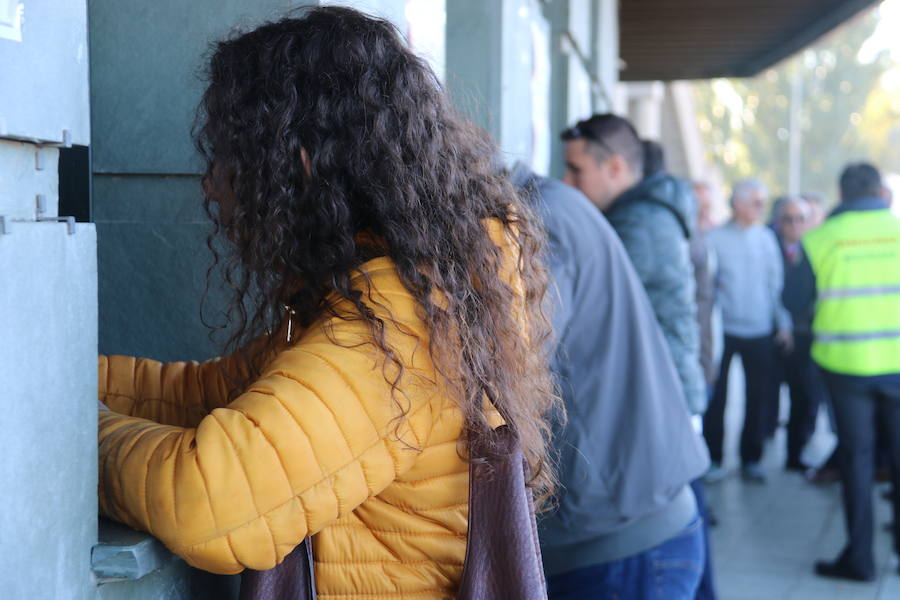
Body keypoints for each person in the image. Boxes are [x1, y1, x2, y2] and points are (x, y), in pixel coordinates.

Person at [94, 9, 559, 599]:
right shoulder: (414, 290)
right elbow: (219, 393)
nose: (211, 184)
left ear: (300, 163)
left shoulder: (399, 323)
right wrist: (63, 387)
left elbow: (209, 501)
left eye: (229, 155)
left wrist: (73, 437)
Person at [509, 163, 709, 600]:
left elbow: (511, 372)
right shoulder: (553, 208)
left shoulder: (540, 219)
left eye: (579, 167)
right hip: (634, 524)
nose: (569, 174)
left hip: (618, 546)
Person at [560, 115, 706, 416]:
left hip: (659, 405)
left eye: (576, 170)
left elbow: (591, 314)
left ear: (614, 167)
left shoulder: (640, 225)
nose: (566, 182)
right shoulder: (639, 215)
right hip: (659, 395)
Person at [804, 163, 900, 582]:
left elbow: (794, 299)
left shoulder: (820, 239)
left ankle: (860, 559)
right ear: (880, 191)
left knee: (857, 460)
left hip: (846, 368)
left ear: (841, 196)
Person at [703, 179, 792, 483]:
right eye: (756, 202)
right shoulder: (713, 238)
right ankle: (713, 459)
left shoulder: (767, 239)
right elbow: (707, 289)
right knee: (717, 399)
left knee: (758, 397)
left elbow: (775, 285)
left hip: (760, 331)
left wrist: (783, 324)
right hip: (724, 331)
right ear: (737, 203)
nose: (761, 208)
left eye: (763, 202)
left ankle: (751, 459)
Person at [774, 197, 829, 471]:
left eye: (800, 219)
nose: (794, 225)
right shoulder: (769, 246)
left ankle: (799, 450)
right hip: (779, 334)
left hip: (812, 335)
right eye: (788, 219)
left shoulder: (819, 249)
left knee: (808, 396)